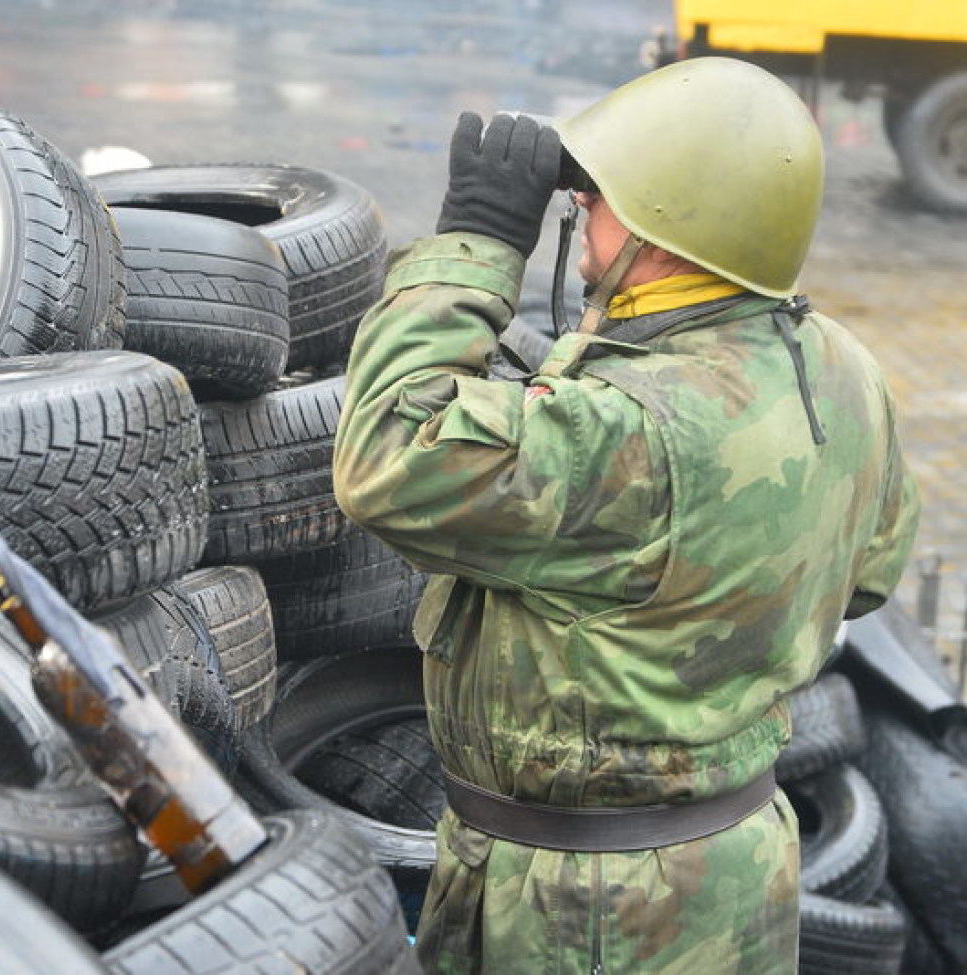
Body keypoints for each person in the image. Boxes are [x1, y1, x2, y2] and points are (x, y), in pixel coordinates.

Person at [332, 57, 920, 974]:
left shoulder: (624, 429)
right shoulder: (842, 367)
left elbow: (382, 456)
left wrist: (477, 240)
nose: (580, 214)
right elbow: (872, 575)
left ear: (663, 230)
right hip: (733, 863)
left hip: (589, 907)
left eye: (598, 198)